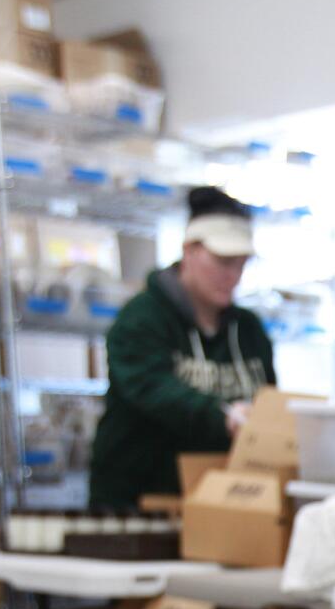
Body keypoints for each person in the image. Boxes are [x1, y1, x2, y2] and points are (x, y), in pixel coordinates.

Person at [88, 186, 275, 511]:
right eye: (222, 261)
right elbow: (155, 391)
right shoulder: (140, 320)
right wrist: (225, 416)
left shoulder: (248, 330)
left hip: (220, 503)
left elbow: (270, 402)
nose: (232, 275)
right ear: (189, 251)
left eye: (241, 264)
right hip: (137, 506)